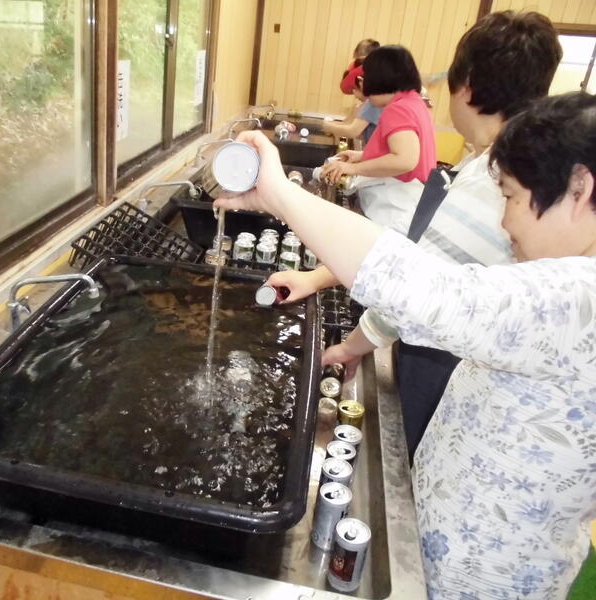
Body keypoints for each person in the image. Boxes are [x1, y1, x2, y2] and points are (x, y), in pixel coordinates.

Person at [216, 92, 596, 598]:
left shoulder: (581, 299)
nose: (505, 221)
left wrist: (281, 195)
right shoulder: (568, 284)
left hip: (485, 577)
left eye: (510, 197)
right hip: (450, 545)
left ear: (579, 188)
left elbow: (430, 292)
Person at [276, 11, 563, 464]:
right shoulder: (497, 163)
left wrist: (352, 345)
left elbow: (421, 284)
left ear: (466, 85)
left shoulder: (497, 177)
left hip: (446, 367)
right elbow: (423, 254)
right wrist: (320, 278)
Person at [323, 45, 437, 231]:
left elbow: (405, 160)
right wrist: (362, 156)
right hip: (412, 201)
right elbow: (404, 151)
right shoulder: (413, 101)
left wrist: (353, 168)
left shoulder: (398, 109)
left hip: (397, 206)